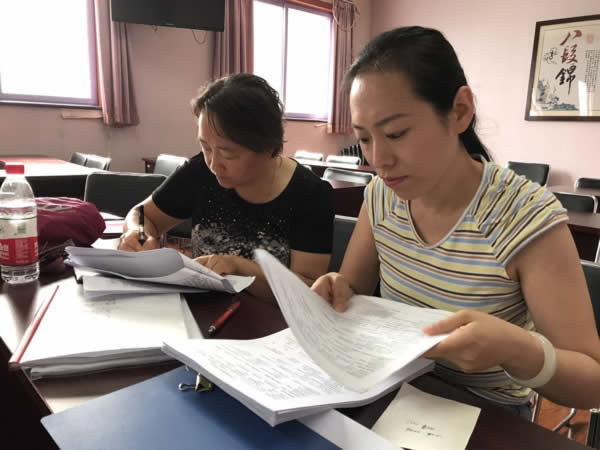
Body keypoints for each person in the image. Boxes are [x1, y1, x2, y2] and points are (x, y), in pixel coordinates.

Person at [312, 26, 600, 417]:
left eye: (396, 133)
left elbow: (591, 384)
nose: (379, 159)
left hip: (488, 414)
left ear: (460, 111)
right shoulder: (382, 196)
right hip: (395, 390)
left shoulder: (524, 216)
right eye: (364, 139)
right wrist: (337, 287)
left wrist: (516, 349)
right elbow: (353, 289)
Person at [119, 73, 335, 300]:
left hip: (271, 318)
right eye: (206, 147)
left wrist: (239, 267)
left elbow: (308, 290)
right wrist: (138, 233)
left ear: (268, 146)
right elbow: (142, 214)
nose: (214, 164)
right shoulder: (200, 172)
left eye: (228, 153)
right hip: (202, 310)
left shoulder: (309, 195)